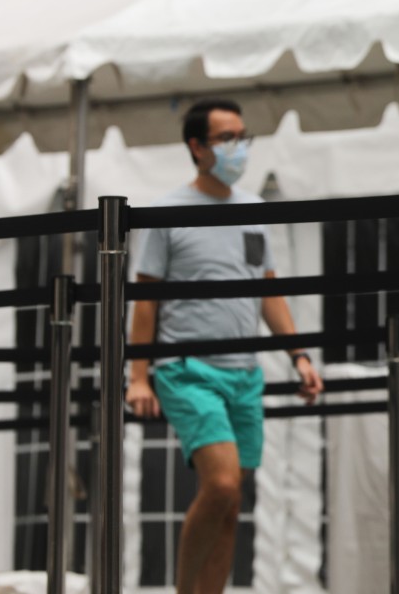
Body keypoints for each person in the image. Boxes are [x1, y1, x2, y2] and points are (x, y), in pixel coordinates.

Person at [125, 98, 324, 594]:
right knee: (221, 484)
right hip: (187, 368)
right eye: (226, 138)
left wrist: (298, 355)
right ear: (197, 147)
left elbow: (267, 292)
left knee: (232, 503)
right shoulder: (166, 213)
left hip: (244, 372)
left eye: (243, 136)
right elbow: (144, 300)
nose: (240, 147)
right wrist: (138, 375)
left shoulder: (254, 211)